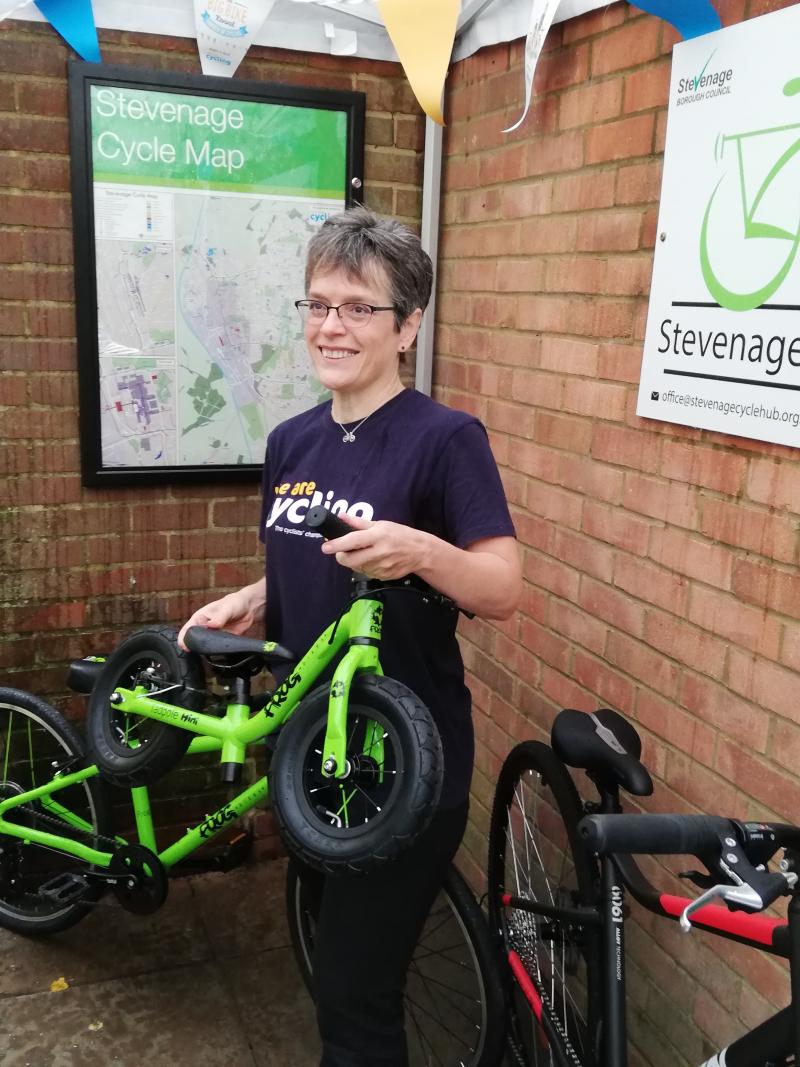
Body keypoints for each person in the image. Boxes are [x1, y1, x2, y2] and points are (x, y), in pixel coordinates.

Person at [179, 206, 521, 1067]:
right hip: (307, 753)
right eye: (318, 304)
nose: (331, 325)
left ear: (408, 327)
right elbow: (315, 559)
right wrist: (254, 598)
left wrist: (424, 549)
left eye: (358, 308)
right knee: (337, 957)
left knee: (355, 1005)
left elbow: (502, 585)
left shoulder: (446, 440)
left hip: (404, 762)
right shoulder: (291, 439)